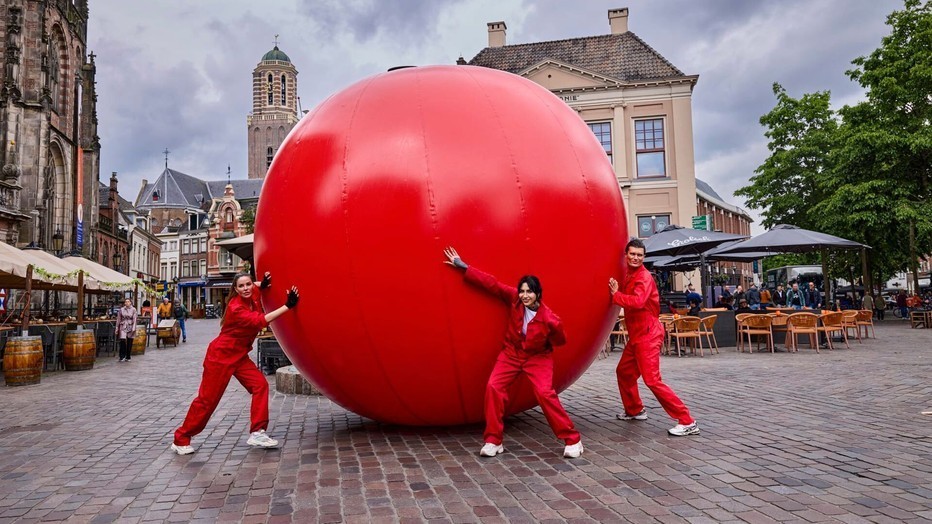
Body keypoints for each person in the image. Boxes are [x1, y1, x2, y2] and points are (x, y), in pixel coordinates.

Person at [443, 247, 583, 459]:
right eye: (522, 291)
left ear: (538, 294)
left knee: (545, 394)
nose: (525, 295)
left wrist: (544, 344)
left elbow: (560, 340)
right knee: (493, 387)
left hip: (538, 357)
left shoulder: (550, 319)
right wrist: (464, 267)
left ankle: (573, 439)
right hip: (511, 354)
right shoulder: (514, 300)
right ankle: (493, 440)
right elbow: (492, 284)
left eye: (529, 292)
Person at [171, 271, 299, 456]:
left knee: (260, 386)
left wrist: (262, 283)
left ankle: (257, 432)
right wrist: (288, 305)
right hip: (220, 357)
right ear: (235, 289)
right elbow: (260, 321)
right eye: (241, 286)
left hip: (239, 356)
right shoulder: (235, 308)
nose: (247, 288)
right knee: (207, 401)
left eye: (248, 284)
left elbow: (256, 286)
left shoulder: (252, 293)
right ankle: (180, 438)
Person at [609, 239, 698, 436]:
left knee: (652, 380)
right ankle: (634, 410)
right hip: (637, 335)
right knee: (624, 372)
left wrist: (616, 295)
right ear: (626, 255)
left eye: (639, 255)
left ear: (644, 257)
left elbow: (639, 302)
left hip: (648, 335)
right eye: (632, 254)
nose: (635, 257)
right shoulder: (630, 275)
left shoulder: (644, 277)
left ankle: (687, 420)